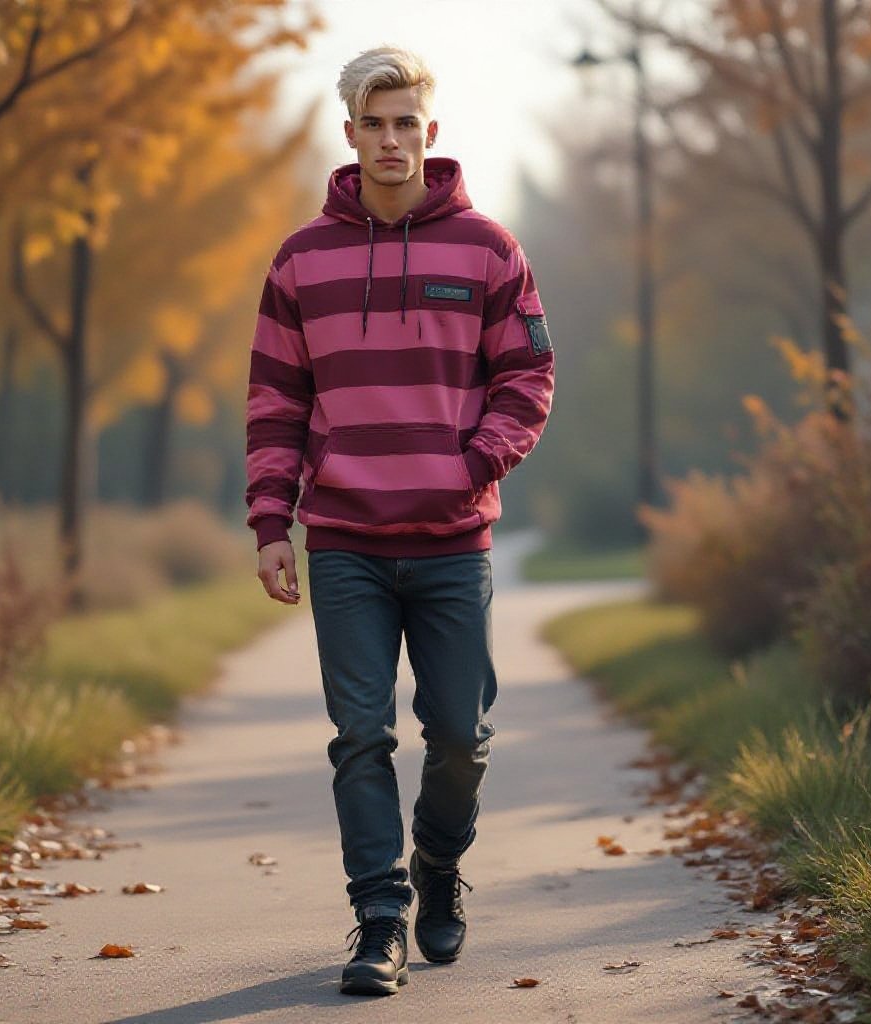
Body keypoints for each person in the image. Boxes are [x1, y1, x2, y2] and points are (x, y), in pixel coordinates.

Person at [244, 45, 555, 997]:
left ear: (430, 131)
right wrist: (270, 523)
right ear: (350, 134)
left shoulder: (489, 248)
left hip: (454, 541)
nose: (391, 139)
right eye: (374, 123)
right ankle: (379, 918)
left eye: (406, 122)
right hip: (343, 543)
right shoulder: (301, 260)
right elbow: (275, 401)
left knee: (459, 736)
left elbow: (529, 377)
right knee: (361, 735)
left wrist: (474, 463)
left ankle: (437, 863)